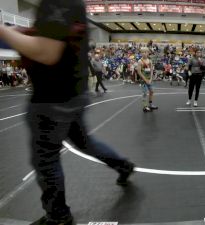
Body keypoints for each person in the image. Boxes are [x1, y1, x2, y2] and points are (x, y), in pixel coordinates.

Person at [0, 1, 135, 224]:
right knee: (84, 142)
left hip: (53, 98)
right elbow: (58, 39)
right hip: (73, 93)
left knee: (45, 157)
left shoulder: (58, 2)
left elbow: (47, 52)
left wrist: (3, 30)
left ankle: (58, 216)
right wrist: (23, 32)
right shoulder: (72, 5)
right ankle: (123, 165)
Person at [137, 47, 158, 112]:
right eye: (142, 52)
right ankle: (145, 107)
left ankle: (150, 105)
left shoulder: (150, 61)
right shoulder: (140, 61)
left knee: (151, 91)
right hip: (143, 80)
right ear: (141, 53)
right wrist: (145, 80)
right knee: (144, 93)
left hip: (149, 80)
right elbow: (139, 72)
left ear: (148, 53)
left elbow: (151, 70)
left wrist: (151, 78)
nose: (144, 53)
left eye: (145, 52)